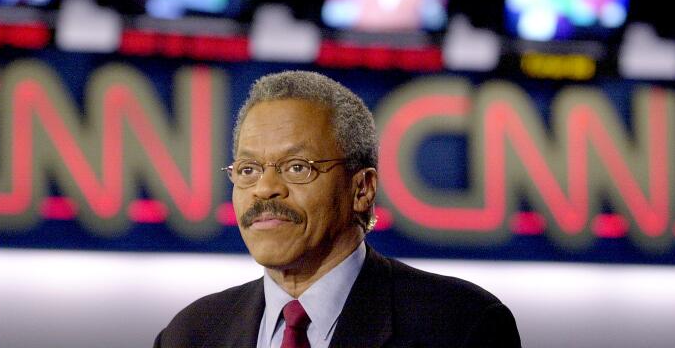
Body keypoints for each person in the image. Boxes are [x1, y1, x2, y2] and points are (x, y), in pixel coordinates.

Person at [154, 71, 521, 348]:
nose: (265, 189)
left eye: (297, 167)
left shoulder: (461, 326)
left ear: (362, 188)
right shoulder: (190, 334)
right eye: (248, 170)